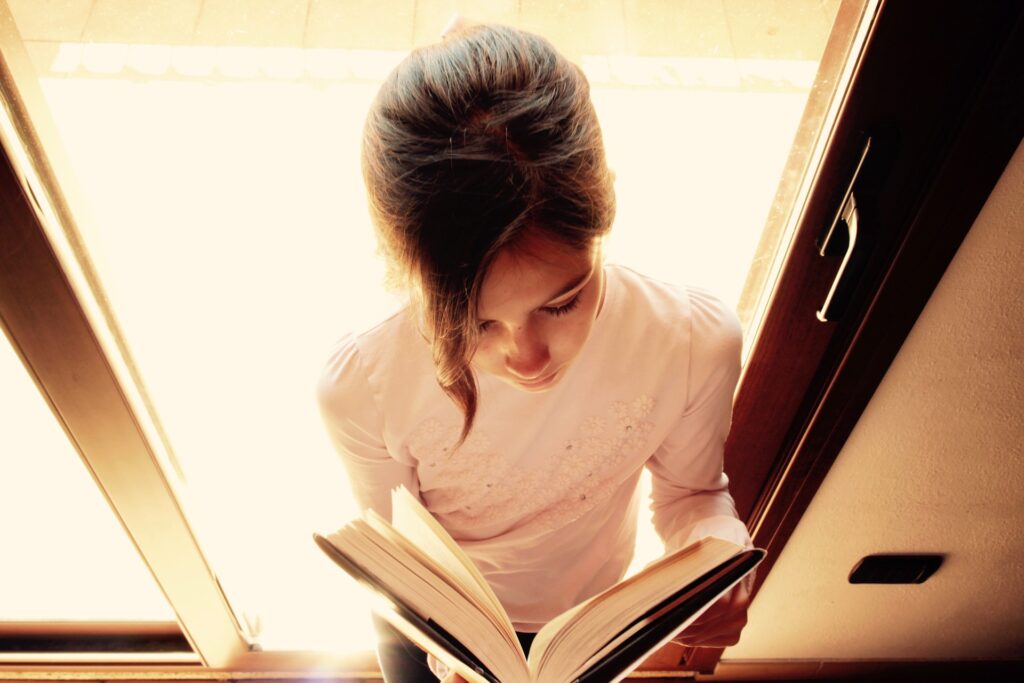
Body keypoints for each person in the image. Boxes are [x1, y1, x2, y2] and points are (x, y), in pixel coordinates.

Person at [316, 23, 753, 683]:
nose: (528, 356)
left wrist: (715, 551)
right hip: (433, 627)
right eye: (476, 322)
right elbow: (399, 553)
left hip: (585, 623)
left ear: (601, 220)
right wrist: (447, 656)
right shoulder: (365, 382)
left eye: (563, 301)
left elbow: (692, 492)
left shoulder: (688, 339)